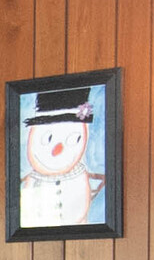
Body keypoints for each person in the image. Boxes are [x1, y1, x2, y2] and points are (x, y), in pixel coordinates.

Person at [18, 86, 108, 228]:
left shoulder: (83, 176)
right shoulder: (30, 182)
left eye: (73, 139)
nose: (58, 150)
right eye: (47, 139)